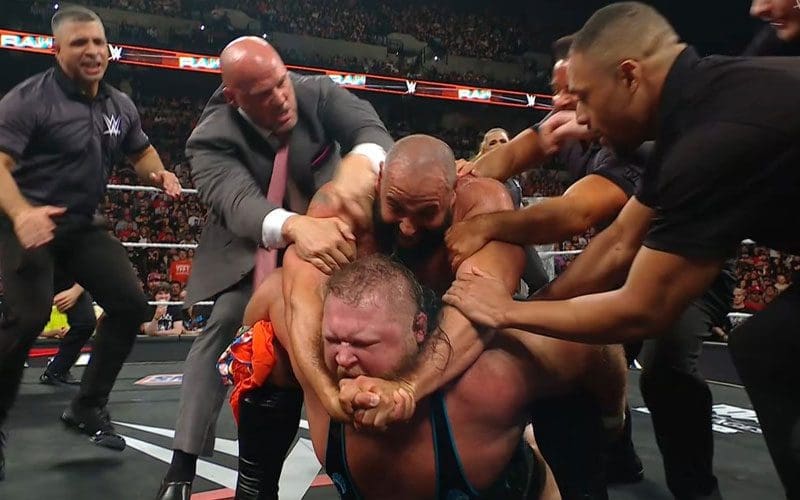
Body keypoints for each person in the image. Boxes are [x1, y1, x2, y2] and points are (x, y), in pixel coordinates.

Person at [441, 3, 800, 498]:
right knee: (766, 347)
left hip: (681, 262)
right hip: (670, 248)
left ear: (629, 76)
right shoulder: (694, 109)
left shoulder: (704, 143)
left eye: (585, 96)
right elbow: (617, 243)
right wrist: (533, 307)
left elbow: (640, 308)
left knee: (755, 353)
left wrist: (508, 312)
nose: (580, 116)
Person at [156, 36, 395, 499]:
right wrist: (295, 227)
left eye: (282, 83)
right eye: (264, 95)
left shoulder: (315, 93)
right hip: (253, 248)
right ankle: (181, 467)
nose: (282, 99)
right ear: (234, 98)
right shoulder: (210, 136)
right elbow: (239, 203)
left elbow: (371, 130)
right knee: (224, 324)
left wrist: (357, 169)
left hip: (334, 238)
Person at [230, 255, 627, 500]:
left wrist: (612, 423)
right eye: (334, 340)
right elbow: (273, 293)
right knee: (265, 350)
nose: (344, 358)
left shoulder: (485, 381)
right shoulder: (318, 363)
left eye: (364, 344)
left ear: (419, 330)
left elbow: (595, 347)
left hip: (507, 480)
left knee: (561, 395)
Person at [0, 5, 180, 479]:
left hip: (79, 224)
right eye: (80, 43)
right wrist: (21, 214)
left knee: (130, 304)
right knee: (28, 318)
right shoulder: (28, 101)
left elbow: (141, 151)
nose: (93, 51)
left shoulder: (119, 105)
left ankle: (87, 405)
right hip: (25, 221)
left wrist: (159, 174)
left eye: (99, 42)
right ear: (56, 49)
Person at [39, 272, 97, 386]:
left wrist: (76, 290)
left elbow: (90, 266)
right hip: (33, 275)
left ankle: (56, 371)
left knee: (85, 322)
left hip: (71, 278)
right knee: (23, 323)